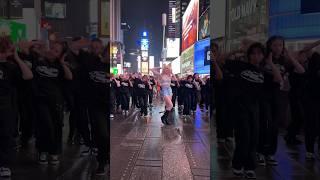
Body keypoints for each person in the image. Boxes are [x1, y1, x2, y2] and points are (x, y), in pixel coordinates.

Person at [221, 43, 282, 179]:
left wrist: (270, 63)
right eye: (253, 53)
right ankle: (237, 165)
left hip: (255, 108)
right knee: (244, 137)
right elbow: (222, 59)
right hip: (240, 107)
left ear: (263, 56)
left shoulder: (264, 72)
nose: (256, 56)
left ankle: (249, 166)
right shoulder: (240, 66)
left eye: (259, 53)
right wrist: (238, 49)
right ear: (249, 55)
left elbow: (278, 79)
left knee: (254, 137)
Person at [32, 41, 72, 165]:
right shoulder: (37, 61)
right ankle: (43, 150)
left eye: (56, 51)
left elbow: (69, 77)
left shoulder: (59, 65)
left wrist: (62, 63)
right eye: (52, 48)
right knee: (45, 125)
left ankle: (54, 152)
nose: (52, 51)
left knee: (56, 126)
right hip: (40, 99)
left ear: (60, 55)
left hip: (56, 100)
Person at [0, 36, 33, 177]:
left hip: (5, 105)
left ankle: (3, 165)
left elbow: (28, 76)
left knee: (6, 135)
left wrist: (17, 58)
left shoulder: (11, 66)